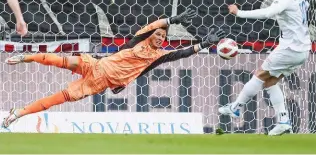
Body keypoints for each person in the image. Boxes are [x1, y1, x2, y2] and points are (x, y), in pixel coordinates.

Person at [2, 8, 225, 128]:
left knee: (59, 98)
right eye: (157, 34)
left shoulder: (157, 57)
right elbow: (151, 25)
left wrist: (203, 44)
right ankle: (27, 57)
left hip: (98, 82)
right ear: (151, 35)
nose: (159, 37)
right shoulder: (137, 41)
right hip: (97, 64)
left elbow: (181, 54)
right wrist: (172, 20)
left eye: (163, 36)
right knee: (65, 61)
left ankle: (18, 113)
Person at [219, 0, 311, 136]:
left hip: (290, 48)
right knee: (270, 81)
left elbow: (269, 12)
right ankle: (283, 121)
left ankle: (236, 108)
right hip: (302, 48)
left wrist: (239, 13)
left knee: (259, 75)